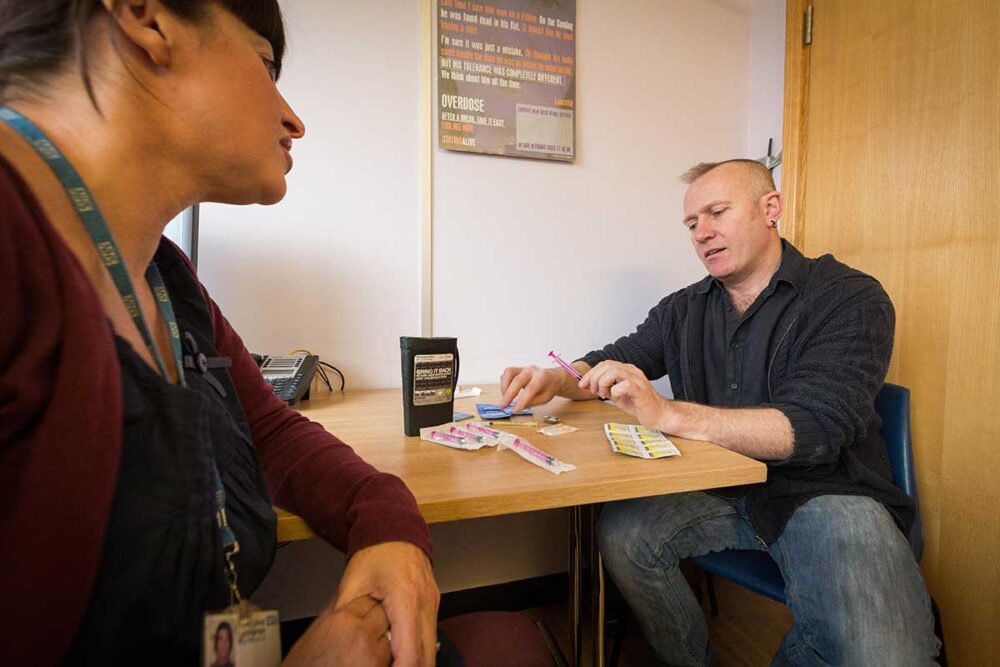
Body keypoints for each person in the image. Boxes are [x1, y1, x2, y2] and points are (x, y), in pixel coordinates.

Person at [0, 1, 439, 664]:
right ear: (147, 19)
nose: (293, 119)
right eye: (267, 65)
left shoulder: (164, 281)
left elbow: (268, 434)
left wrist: (386, 519)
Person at [499, 159, 939, 665]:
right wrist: (557, 379)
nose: (702, 234)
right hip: (721, 489)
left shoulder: (848, 297)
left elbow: (812, 428)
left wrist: (668, 414)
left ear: (769, 209)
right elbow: (618, 358)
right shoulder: (681, 309)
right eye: (691, 224)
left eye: (717, 213)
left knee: (884, 656)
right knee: (624, 534)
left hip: (827, 493)